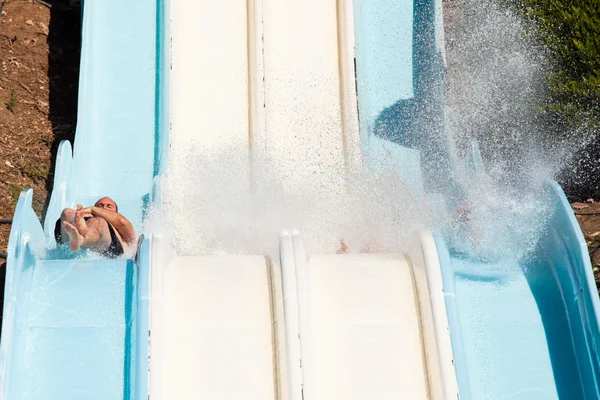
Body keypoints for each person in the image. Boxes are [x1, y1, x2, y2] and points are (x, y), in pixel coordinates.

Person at [54, 197, 136, 257]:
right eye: (100, 206)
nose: (104, 207)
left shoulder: (122, 230)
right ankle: (79, 231)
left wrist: (92, 209)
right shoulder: (89, 216)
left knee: (98, 222)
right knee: (67, 212)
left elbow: (121, 221)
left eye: (109, 206)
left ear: (116, 212)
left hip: (109, 247)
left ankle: (80, 239)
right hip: (75, 236)